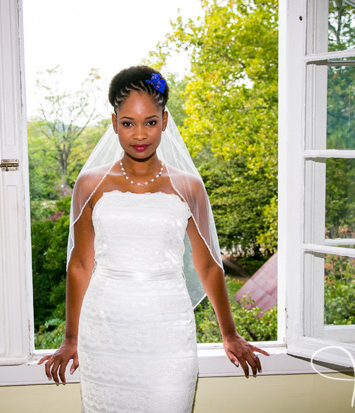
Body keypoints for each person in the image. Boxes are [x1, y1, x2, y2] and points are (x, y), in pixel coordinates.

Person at [39, 65, 268, 412]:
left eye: (150, 121)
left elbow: (207, 266)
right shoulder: (89, 183)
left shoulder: (189, 186)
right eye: (128, 122)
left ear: (164, 120)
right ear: (114, 123)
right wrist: (70, 339)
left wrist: (230, 333)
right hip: (105, 330)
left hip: (167, 329)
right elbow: (81, 265)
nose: (139, 134)